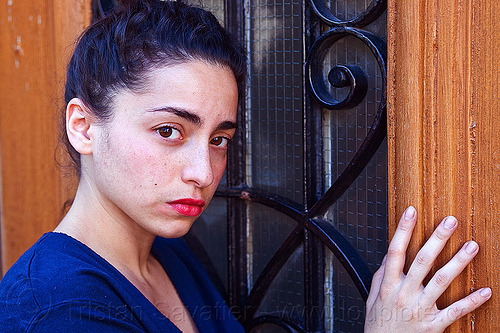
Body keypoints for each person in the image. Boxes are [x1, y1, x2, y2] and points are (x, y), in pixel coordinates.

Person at [0, 1, 491, 332]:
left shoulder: (164, 253)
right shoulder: (57, 311)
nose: (203, 171)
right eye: (169, 131)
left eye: (219, 139)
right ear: (84, 128)